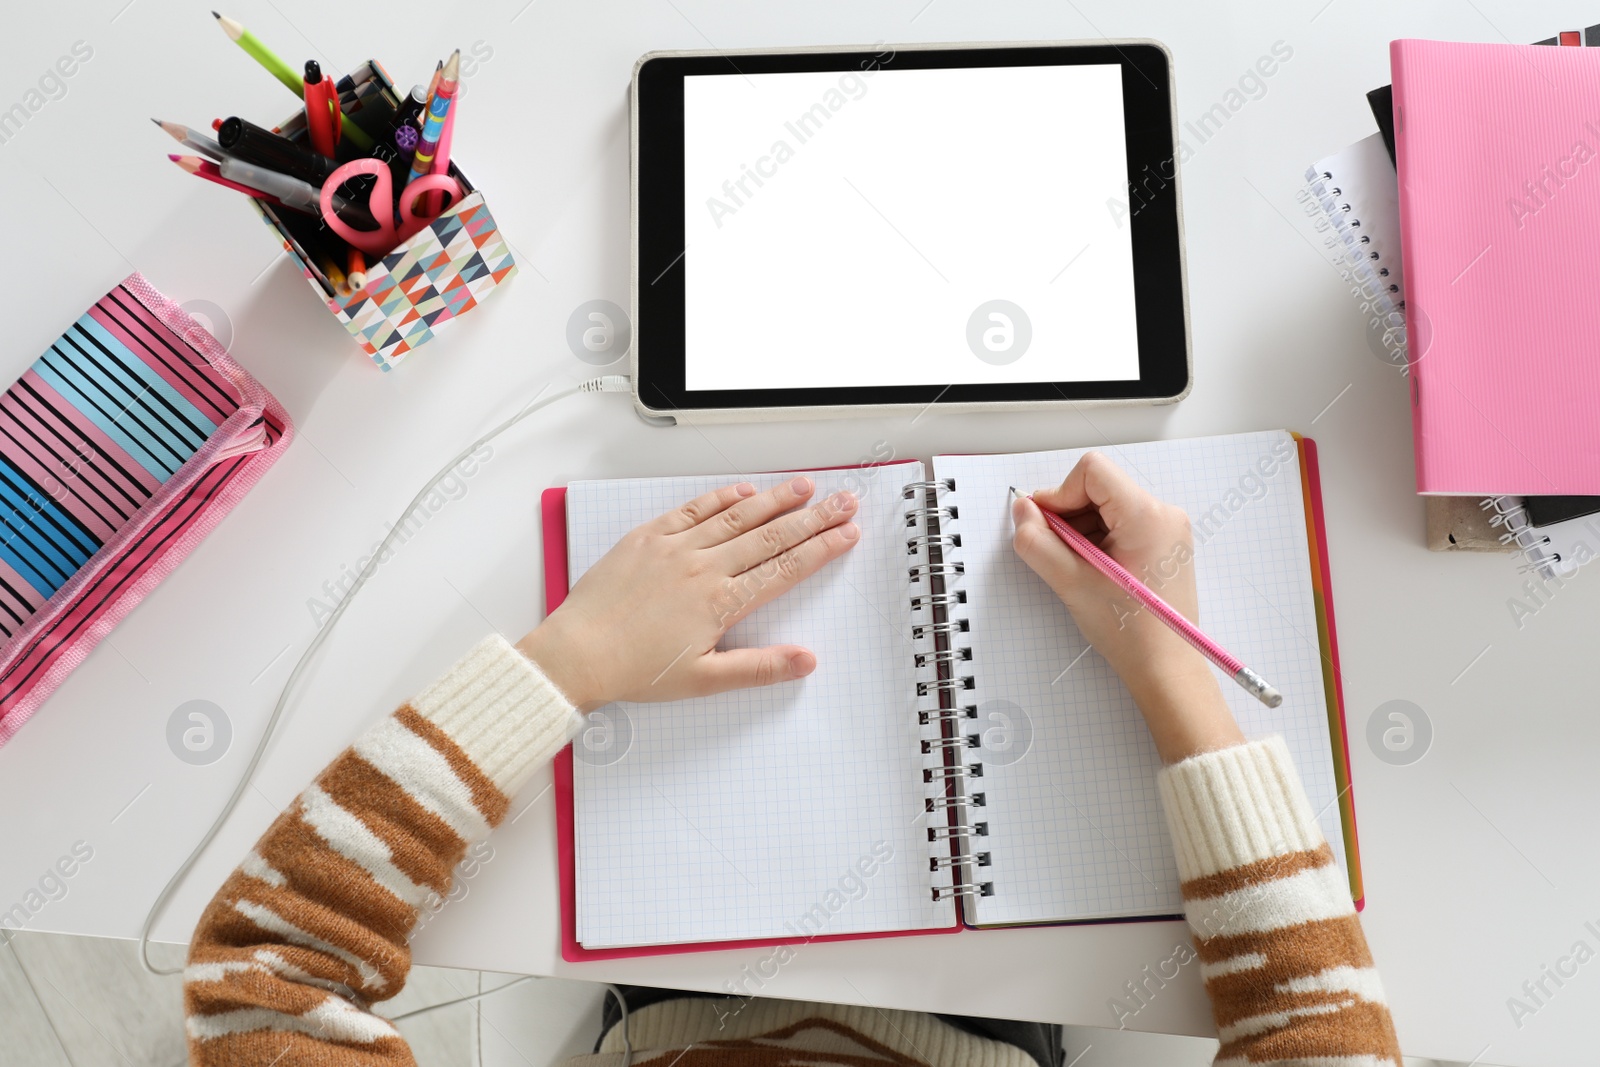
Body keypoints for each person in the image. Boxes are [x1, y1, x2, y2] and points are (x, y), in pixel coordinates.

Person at [181, 453, 1402, 1066]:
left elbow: (262, 978)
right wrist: (1172, 670)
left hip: (669, 1030)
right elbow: (1320, 1031)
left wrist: (568, 661)